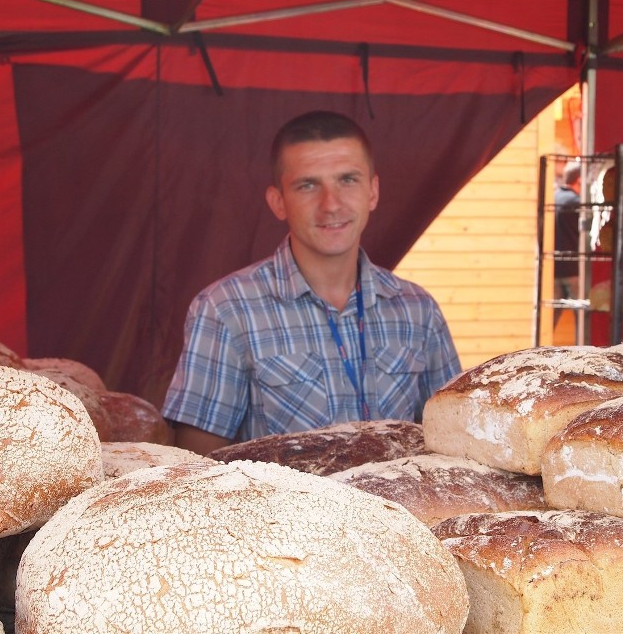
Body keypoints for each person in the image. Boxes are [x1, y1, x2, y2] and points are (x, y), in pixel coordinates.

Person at [162, 110, 461, 455]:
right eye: (308, 185)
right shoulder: (225, 310)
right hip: (280, 511)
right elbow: (196, 466)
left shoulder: (418, 310)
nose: (330, 205)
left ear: (373, 192)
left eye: (347, 180)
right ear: (278, 202)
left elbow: (454, 443)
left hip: (400, 509)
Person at [553, 160, 582, 326]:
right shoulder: (577, 202)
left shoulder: (554, 197)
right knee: (581, 317)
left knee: (551, 317)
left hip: (553, 268)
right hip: (573, 269)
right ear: (578, 179)